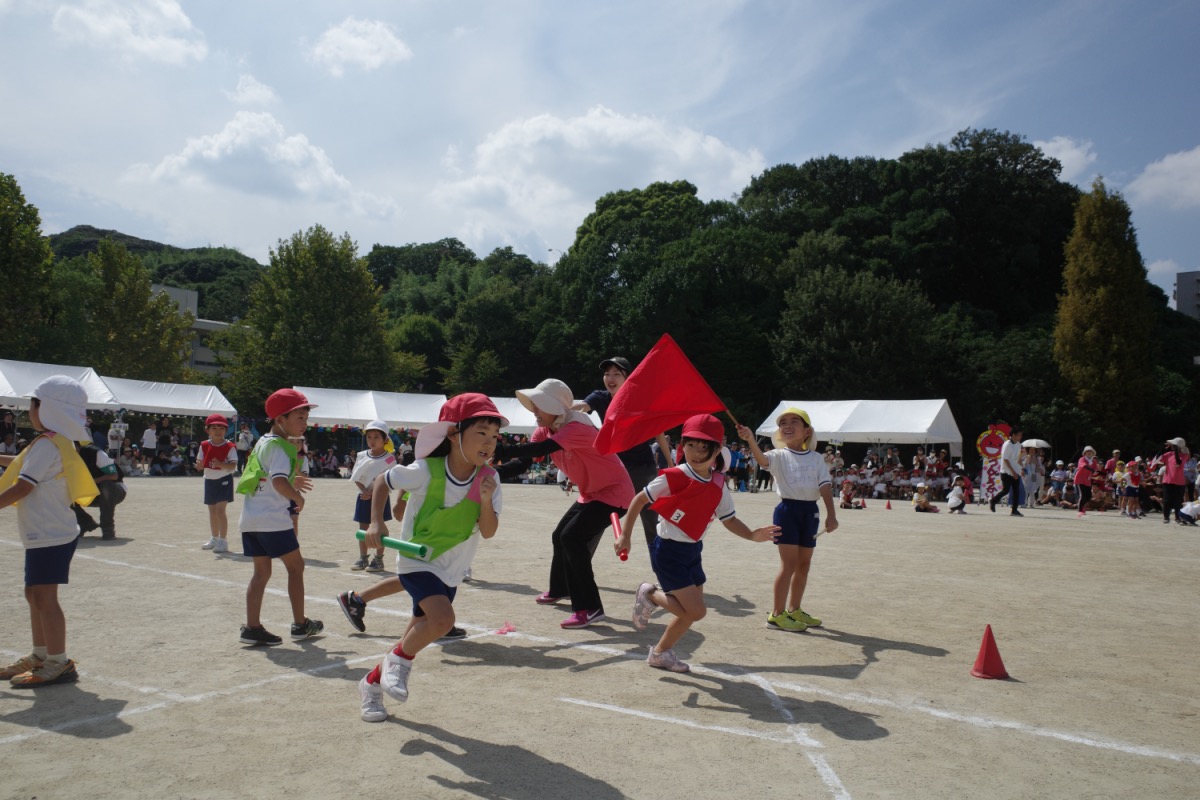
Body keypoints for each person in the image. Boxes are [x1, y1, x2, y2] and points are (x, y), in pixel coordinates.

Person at [356, 393, 505, 722]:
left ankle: (371, 684)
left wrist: (485, 500)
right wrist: (377, 522)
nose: (489, 443)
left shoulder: (490, 479)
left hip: (451, 570)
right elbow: (382, 480)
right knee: (442, 621)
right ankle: (400, 664)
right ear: (453, 434)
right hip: (417, 560)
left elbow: (489, 531)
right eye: (481, 433)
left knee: (410, 638)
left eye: (495, 436)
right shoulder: (425, 470)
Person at [615, 414, 779, 673]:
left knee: (688, 613)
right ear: (682, 446)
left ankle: (660, 653)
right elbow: (639, 499)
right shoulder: (675, 476)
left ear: (718, 450)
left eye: (705, 447)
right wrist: (625, 535)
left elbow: (729, 519)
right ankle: (650, 594)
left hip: (692, 551)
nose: (697, 452)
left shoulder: (718, 483)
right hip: (668, 551)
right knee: (696, 612)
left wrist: (751, 535)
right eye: (691, 445)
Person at [498, 378, 634, 629]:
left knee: (572, 538)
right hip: (592, 493)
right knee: (560, 535)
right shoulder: (545, 429)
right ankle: (560, 589)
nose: (534, 410)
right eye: (534, 404)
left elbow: (541, 448)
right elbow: (525, 461)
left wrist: (502, 450)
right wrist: (493, 474)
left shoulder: (577, 427)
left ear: (556, 408)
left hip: (615, 493)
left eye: (539, 405)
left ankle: (590, 608)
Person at [0, 376, 99, 686]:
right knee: (34, 594)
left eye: (33, 404)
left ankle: (58, 661)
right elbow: (20, 463)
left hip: (50, 534)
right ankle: (40, 655)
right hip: (44, 533)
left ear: (48, 408)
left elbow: (23, 486)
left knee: (44, 597)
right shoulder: (51, 442)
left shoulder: (47, 444)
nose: (29, 410)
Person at [235, 389, 323, 646]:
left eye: (306, 418)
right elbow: (278, 481)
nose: (304, 423)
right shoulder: (283, 447)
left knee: (261, 573)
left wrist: (290, 482)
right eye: (299, 417)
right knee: (296, 567)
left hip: (251, 519)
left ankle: (252, 627)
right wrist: (297, 497)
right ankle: (300, 624)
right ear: (280, 419)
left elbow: (265, 475)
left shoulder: (263, 441)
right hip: (273, 520)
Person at [738, 407, 838, 633]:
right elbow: (762, 460)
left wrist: (831, 515)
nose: (788, 425)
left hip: (810, 512)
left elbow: (825, 486)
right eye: (783, 423)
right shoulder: (778, 455)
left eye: (794, 421)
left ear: (807, 431)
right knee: (789, 565)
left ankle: (794, 609)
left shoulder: (817, 459)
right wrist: (751, 440)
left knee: (804, 564)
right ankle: (776, 615)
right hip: (787, 511)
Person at [573, 357, 673, 554]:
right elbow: (582, 406)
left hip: (642, 468)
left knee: (651, 521)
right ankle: (580, 566)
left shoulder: (639, 400)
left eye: (616, 374)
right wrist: (561, 412)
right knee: (595, 517)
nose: (610, 378)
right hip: (614, 468)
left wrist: (670, 462)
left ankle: (663, 569)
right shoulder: (600, 397)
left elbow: (658, 431)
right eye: (607, 374)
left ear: (627, 378)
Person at [349, 420, 395, 572]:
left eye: (376, 437)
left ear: (385, 439)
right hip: (363, 496)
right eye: (369, 437)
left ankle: (378, 559)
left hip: (381, 498)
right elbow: (356, 476)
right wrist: (364, 491)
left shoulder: (390, 458)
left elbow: (388, 479)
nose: (372, 440)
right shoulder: (361, 455)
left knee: (380, 526)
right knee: (363, 528)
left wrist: (374, 492)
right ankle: (363, 558)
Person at [197, 414, 238, 553]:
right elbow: (200, 463)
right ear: (207, 430)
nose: (218, 431)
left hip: (224, 480)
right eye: (214, 428)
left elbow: (233, 466)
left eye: (221, 428)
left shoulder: (230, 446)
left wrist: (221, 464)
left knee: (220, 510)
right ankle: (214, 538)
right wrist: (199, 465)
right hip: (209, 480)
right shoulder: (204, 445)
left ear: (226, 430)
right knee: (212, 511)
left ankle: (223, 540)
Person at [74, 441, 126, 539]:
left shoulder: (95, 453)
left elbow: (114, 476)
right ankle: (85, 522)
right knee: (60, 491)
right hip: (89, 492)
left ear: (77, 446)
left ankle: (108, 529)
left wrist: (92, 481)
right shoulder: (63, 459)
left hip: (114, 490)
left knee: (106, 486)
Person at [1151, 437, 1189, 525]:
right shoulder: (1168, 454)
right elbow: (1157, 459)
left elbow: (1178, 463)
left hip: (1179, 482)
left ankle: (1177, 517)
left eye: (1173, 445)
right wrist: (1163, 449)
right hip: (1168, 481)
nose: (1171, 446)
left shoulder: (1185, 455)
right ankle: (1166, 517)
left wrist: (1176, 451)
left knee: (1178, 501)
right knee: (1167, 500)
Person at [989, 427, 1024, 517]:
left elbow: (1018, 458)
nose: (1020, 437)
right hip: (1006, 471)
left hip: (1016, 470)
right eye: (1019, 435)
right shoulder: (1007, 445)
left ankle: (1014, 510)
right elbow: (1005, 459)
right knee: (1006, 490)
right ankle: (993, 501)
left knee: (1016, 491)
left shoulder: (1018, 444)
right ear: (1013, 435)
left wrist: (1022, 468)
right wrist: (1013, 472)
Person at [1074, 446, 1100, 518]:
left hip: (1087, 480)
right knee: (1083, 495)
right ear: (1085, 453)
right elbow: (1084, 466)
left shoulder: (1093, 461)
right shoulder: (1082, 459)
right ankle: (1080, 510)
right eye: (1087, 451)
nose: (1089, 453)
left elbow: (1095, 470)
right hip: (1080, 479)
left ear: (1093, 453)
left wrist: (1097, 473)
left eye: (1090, 451)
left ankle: (1082, 507)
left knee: (1089, 496)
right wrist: (1092, 470)